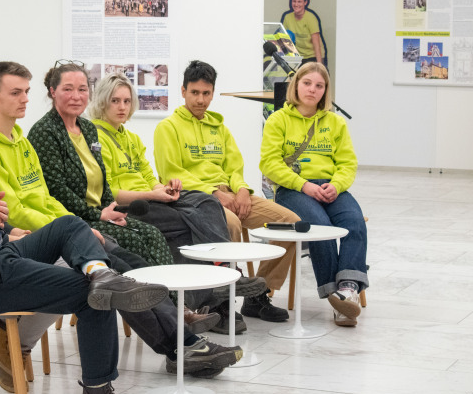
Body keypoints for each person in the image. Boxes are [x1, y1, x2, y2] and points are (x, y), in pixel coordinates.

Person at [0, 72, 173, 394]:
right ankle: (98, 388)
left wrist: (5, 232)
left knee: (70, 226)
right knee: (92, 294)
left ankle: (101, 273)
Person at [0, 61, 241, 378]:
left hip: (68, 227)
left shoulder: (22, 140)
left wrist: (76, 229)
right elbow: (15, 209)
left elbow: (47, 197)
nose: (24, 99)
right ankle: (183, 344)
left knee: (132, 265)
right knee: (116, 270)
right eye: (15, 92)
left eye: (26, 91)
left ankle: (183, 341)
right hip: (28, 239)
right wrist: (76, 228)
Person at [88, 73, 268, 332]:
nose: (122, 107)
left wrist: (165, 188)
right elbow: (110, 192)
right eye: (115, 100)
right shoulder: (95, 138)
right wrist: (153, 195)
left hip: (153, 200)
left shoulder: (130, 138)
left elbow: (150, 177)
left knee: (206, 202)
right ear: (102, 102)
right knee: (186, 225)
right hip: (132, 207)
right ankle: (221, 282)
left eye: (127, 101)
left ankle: (220, 278)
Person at [154, 60, 299, 327]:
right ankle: (221, 305)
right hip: (197, 198)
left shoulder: (219, 127)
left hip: (233, 194)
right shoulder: (168, 127)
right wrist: (213, 193)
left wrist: (243, 189)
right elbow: (171, 173)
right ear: (183, 91)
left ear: (212, 93)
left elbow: (234, 165)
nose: (200, 99)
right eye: (195, 92)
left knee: (291, 225)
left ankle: (258, 295)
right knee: (229, 223)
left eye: (206, 93)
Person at [28, 60, 174, 269]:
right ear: (53, 91)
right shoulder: (45, 132)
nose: (76, 96)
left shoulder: (87, 128)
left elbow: (102, 177)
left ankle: (175, 298)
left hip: (101, 212)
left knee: (153, 234)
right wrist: (99, 215)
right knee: (135, 242)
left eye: (82, 89)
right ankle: (158, 300)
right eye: (68, 89)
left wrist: (112, 210)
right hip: (75, 219)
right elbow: (56, 190)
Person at [259, 62, 368, 327]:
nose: (313, 89)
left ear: (325, 91)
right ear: (296, 85)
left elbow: (347, 163)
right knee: (321, 227)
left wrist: (337, 185)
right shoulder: (278, 120)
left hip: (331, 187)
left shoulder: (335, 123)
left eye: (319, 86)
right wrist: (304, 185)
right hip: (293, 189)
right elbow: (269, 164)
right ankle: (336, 298)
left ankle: (348, 288)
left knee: (354, 223)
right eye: (307, 83)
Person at [281, 0, 326, 65]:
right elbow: (284, 40)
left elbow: (317, 45)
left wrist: (319, 66)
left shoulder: (311, 18)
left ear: (305, 2)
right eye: (294, 1)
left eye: (299, 2)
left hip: (313, 56)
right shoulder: (287, 18)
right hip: (298, 57)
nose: (296, 4)